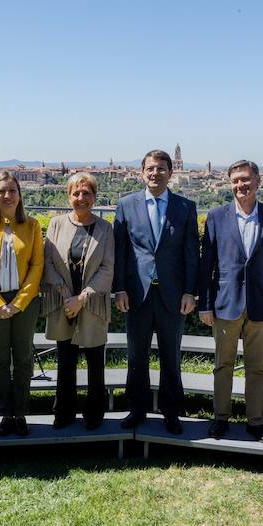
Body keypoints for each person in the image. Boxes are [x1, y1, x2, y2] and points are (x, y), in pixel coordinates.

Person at [199, 160, 263, 442]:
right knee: (222, 365)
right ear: (230, 184)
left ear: (258, 181)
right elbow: (207, 265)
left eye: (246, 179)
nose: (241, 185)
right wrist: (205, 303)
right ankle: (220, 418)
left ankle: (255, 421)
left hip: (262, 306)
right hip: (226, 304)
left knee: (256, 368)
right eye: (236, 180)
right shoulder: (216, 216)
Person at [114, 149, 198, 434]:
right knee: (136, 356)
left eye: (161, 169)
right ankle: (136, 409)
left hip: (173, 297)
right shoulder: (126, 204)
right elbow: (121, 250)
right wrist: (119, 289)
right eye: (150, 168)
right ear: (141, 172)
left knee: (170, 356)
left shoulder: (185, 207)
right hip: (137, 294)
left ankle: (171, 412)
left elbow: (191, 254)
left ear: (170, 173)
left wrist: (190, 292)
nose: (155, 173)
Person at [0, 171, 44, 437]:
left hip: (25, 302)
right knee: (0, 358)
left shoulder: (32, 225)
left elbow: (37, 266)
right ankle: (5, 413)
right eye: (2, 191)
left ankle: (21, 412)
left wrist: (19, 302)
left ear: (20, 195)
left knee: (23, 357)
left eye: (12, 190)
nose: (7, 195)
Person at [42, 173, 114, 430]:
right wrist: (66, 296)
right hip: (63, 302)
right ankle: (64, 413)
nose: (81, 198)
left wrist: (81, 299)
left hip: (92, 304)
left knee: (96, 361)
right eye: (76, 193)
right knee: (65, 360)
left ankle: (94, 415)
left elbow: (107, 269)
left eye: (86, 193)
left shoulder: (106, 229)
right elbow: (47, 262)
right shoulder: (56, 224)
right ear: (68, 196)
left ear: (94, 197)